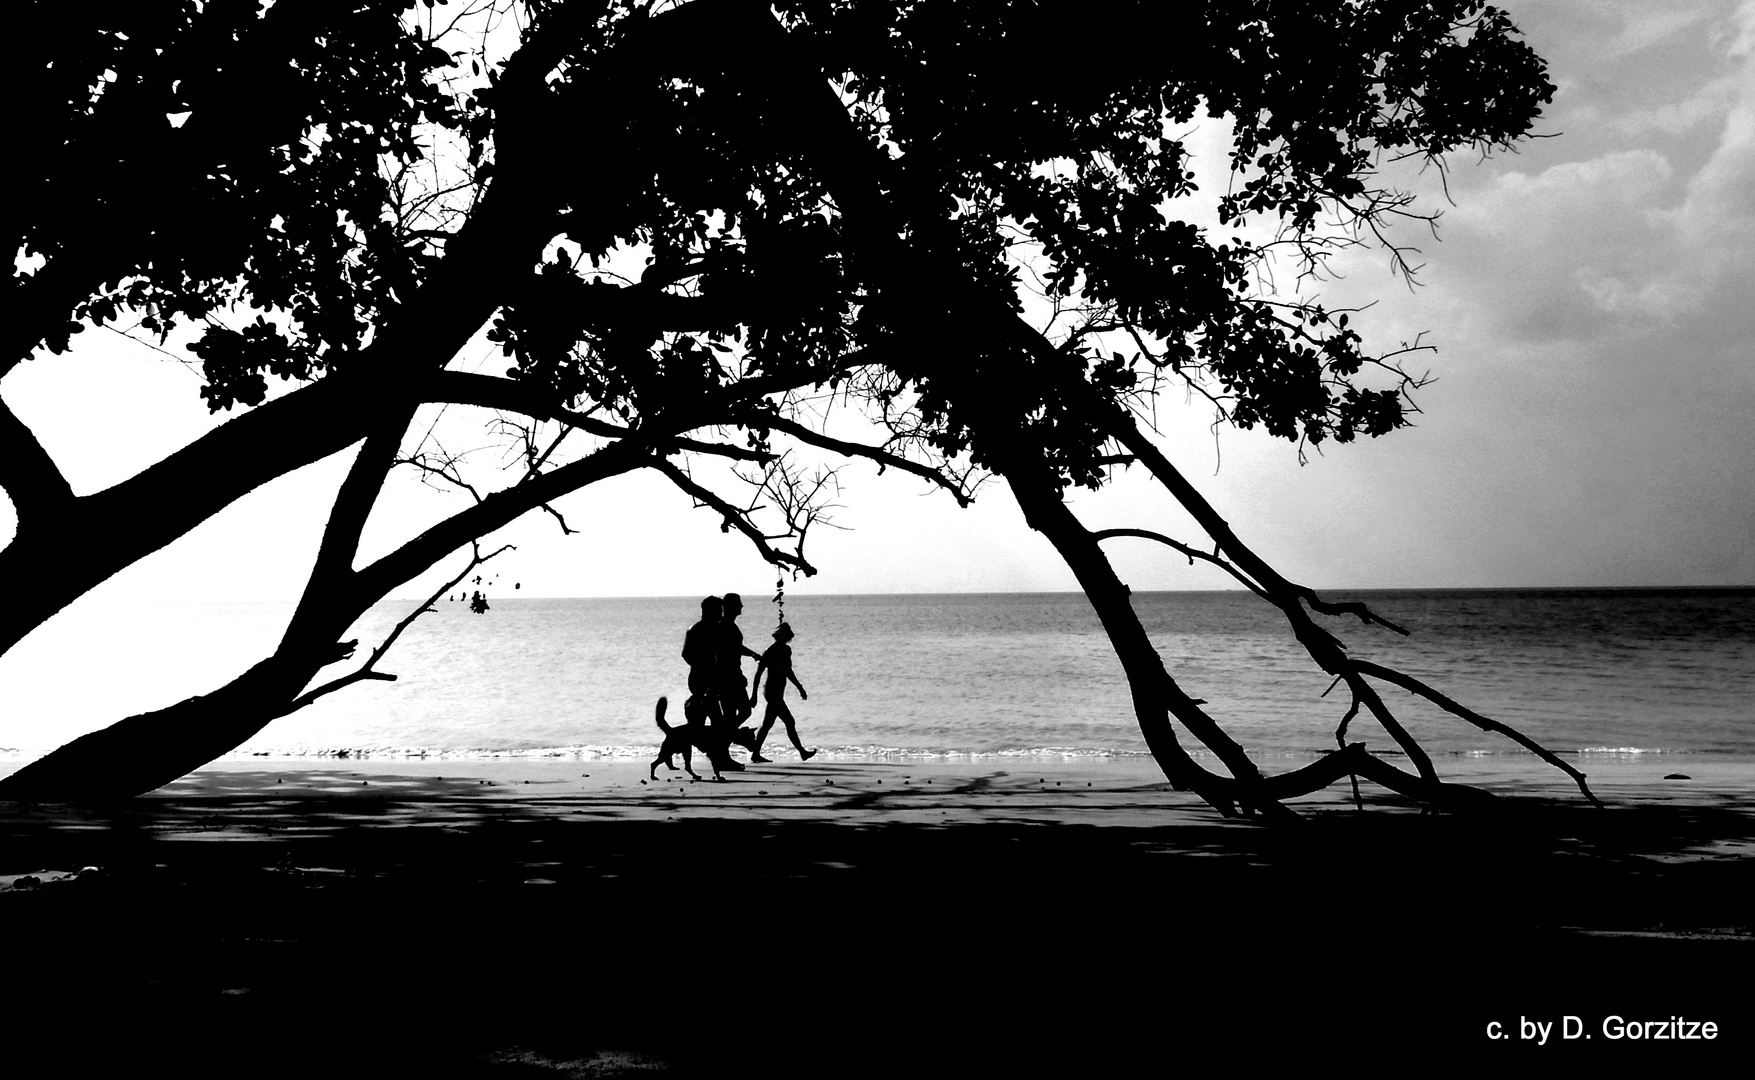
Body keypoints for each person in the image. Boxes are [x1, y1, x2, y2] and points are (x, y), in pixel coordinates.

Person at [680, 596, 739, 772]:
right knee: (714, 721)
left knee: (710, 721)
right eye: (719, 610)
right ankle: (718, 759)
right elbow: (686, 654)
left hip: (713, 679)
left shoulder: (715, 629)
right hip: (700, 680)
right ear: (709, 611)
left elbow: (723, 653)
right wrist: (703, 667)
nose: (721, 613)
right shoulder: (696, 630)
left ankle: (717, 757)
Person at [749, 622, 816, 763]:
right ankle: (802, 752)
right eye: (783, 638)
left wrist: (799, 687)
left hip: (778, 692)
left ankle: (755, 754)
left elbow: (788, 671)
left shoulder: (786, 650)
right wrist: (754, 694)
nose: (785, 641)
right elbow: (758, 674)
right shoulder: (769, 651)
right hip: (772, 692)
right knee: (789, 721)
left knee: (767, 724)